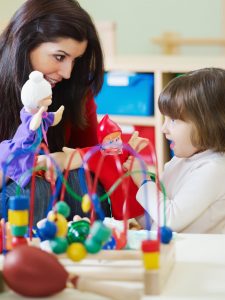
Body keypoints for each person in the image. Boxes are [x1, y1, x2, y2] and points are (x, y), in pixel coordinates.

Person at [0, 0, 111, 224]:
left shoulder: (73, 88)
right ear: (26, 42)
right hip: (20, 194)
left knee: (85, 186)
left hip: (53, 193)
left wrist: (62, 159)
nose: (68, 73)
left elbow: (90, 152)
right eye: (59, 57)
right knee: (34, 192)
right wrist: (14, 167)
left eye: (76, 59)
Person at [124, 68, 225, 233]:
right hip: (175, 252)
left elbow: (169, 220)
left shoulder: (214, 168)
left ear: (207, 124)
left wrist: (143, 179)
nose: (164, 129)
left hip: (199, 257)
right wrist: (129, 183)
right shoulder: (179, 161)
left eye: (173, 120)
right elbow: (155, 222)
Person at [63, 115, 149, 220]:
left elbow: (131, 151)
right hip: (120, 204)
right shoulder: (98, 156)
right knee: (123, 226)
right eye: (110, 141)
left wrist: (134, 146)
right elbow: (81, 155)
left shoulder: (124, 150)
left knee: (146, 219)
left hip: (137, 198)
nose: (115, 144)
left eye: (118, 139)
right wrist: (71, 154)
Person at [0, 70, 64, 188]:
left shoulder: (42, 116)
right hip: (17, 151)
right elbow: (32, 126)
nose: (50, 101)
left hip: (28, 154)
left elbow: (52, 119)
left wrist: (57, 113)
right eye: (47, 99)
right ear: (36, 101)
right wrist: (39, 114)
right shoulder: (29, 117)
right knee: (6, 172)